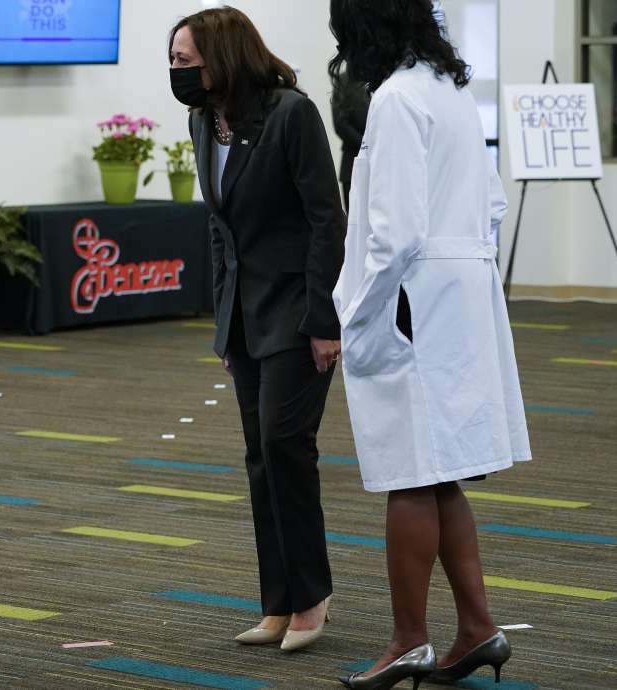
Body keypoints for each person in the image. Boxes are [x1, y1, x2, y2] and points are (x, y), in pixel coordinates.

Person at [329, 1, 531, 687]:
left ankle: (408, 641)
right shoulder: (450, 93)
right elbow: (495, 206)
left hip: (410, 302)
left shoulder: (393, 99)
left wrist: (357, 314)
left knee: (408, 473)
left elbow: (395, 233)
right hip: (460, 297)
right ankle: (477, 628)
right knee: (441, 470)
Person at [168, 7, 345, 653]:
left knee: (285, 448)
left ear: (223, 56)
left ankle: (310, 598)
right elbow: (221, 231)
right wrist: (223, 327)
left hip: (298, 312)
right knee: (259, 461)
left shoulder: (290, 113)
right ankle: (278, 600)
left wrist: (323, 319)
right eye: (174, 61)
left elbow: (326, 220)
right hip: (243, 318)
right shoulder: (201, 120)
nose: (177, 72)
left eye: (186, 61)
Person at [330, 69, 369, 209]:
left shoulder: (388, 75)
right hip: (352, 161)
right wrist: (368, 146)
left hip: (385, 163)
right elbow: (340, 123)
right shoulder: (343, 79)